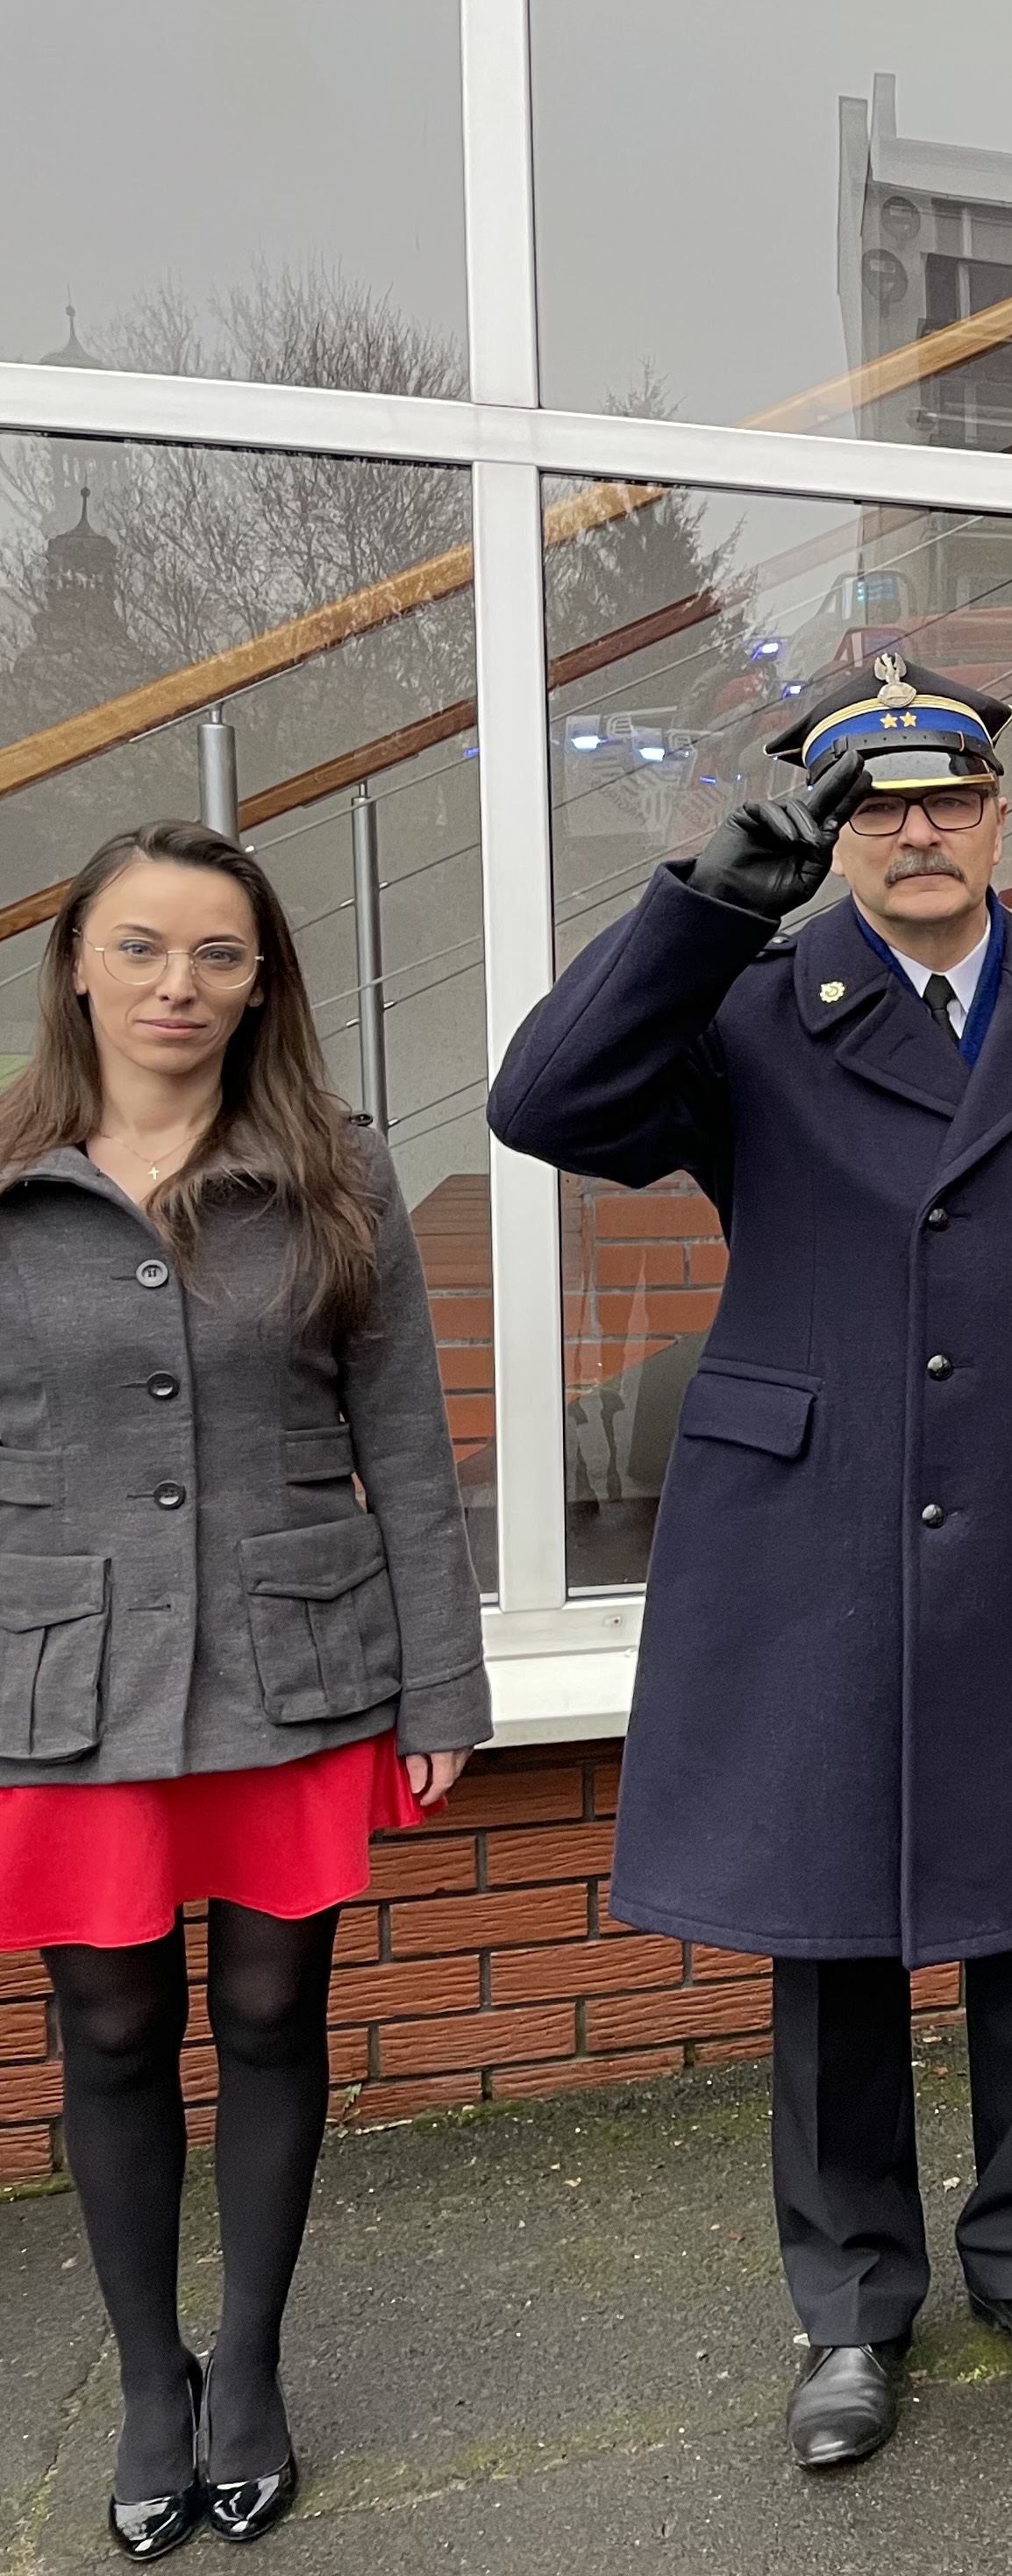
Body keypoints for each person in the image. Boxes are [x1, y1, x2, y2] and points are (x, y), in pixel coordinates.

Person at [487, 654, 1012, 2468]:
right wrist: (700, 906)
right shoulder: (749, 1006)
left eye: (947, 797)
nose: (916, 831)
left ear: (998, 814)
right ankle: (850, 2307)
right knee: (832, 1936)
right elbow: (544, 1104)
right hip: (815, 1529)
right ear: (832, 834)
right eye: (874, 806)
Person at [0, 822, 484, 2561]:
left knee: (274, 2013)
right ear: (76, 964)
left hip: (298, 1660)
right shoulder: (6, 1168)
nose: (177, 985)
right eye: (140, 947)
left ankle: (252, 2364)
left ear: (263, 976)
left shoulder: (334, 1168)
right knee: (112, 2027)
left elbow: (405, 1444)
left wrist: (442, 1685)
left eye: (217, 953)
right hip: (68, 1678)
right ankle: (152, 2378)